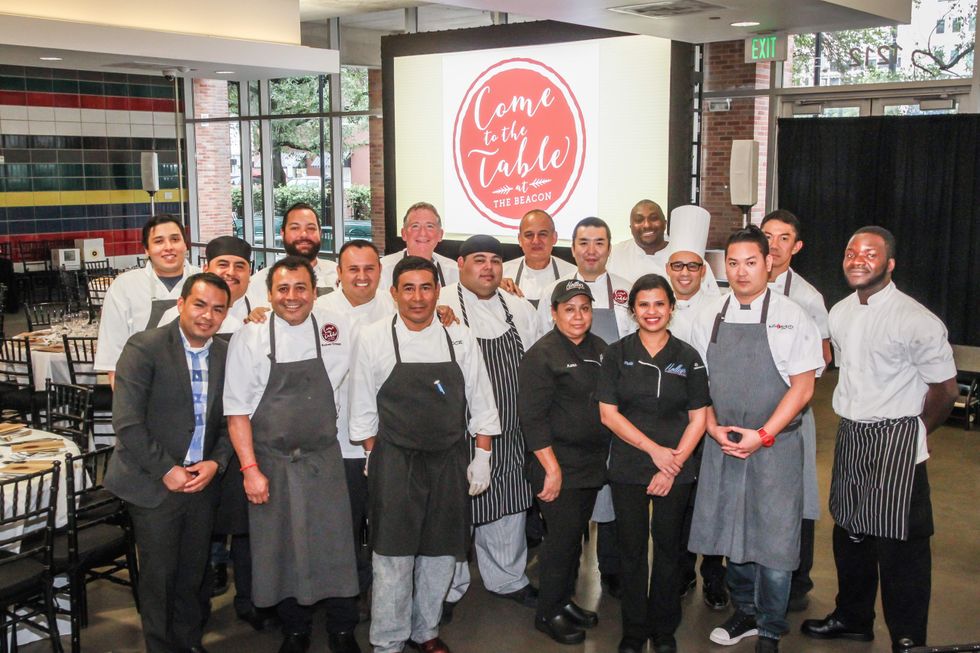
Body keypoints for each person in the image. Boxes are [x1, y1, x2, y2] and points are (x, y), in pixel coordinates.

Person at [802, 227, 957, 652]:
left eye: (870, 254)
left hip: (897, 436)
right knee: (850, 531)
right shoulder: (840, 312)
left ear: (889, 264)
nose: (857, 259)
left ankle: (909, 637)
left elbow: (945, 390)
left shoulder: (916, 320)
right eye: (851, 251)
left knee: (900, 545)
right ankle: (853, 617)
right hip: (852, 432)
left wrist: (914, 433)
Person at [349, 256, 499, 653]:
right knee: (392, 556)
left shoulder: (460, 336)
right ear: (394, 293)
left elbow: (481, 401)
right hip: (395, 460)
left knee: (440, 551)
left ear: (438, 290)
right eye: (409, 288)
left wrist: (481, 456)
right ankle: (388, 640)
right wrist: (371, 455)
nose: (418, 298)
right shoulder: (373, 337)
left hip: (449, 460)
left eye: (427, 287)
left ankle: (425, 630)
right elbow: (362, 405)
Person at [687, 226, 824, 653]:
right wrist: (711, 427)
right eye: (733, 263)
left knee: (775, 539)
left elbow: (802, 388)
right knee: (731, 533)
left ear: (769, 263)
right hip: (724, 442)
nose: (741, 272)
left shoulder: (791, 314)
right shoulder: (708, 313)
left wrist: (762, 435)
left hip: (775, 446)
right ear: (723, 266)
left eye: (751, 262)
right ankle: (744, 610)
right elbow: (698, 383)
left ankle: (769, 625)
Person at [224, 256, 360, 653]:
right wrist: (250, 469)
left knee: (336, 546)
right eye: (282, 289)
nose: (292, 297)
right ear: (268, 294)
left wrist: (444, 312)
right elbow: (236, 412)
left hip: (324, 459)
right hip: (272, 464)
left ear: (316, 293)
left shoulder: (338, 328)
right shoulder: (249, 337)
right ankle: (295, 630)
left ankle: (342, 629)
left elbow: (388, 330)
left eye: (301, 288)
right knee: (279, 549)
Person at [105, 272, 233, 653]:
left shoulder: (227, 354)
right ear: (181, 304)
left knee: (194, 574)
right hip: (152, 482)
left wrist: (216, 463)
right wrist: (167, 470)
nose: (207, 315)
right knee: (159, 577)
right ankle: (161, 647)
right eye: (199, 304)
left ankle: (190, 642)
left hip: (202, 480)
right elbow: (127, 422)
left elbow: (234, 421)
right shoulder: (144, 347)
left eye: (217, 309)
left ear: (225, 315)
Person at [597, 274, 711, 653]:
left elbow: (699, 418)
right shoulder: (616, 353)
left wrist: (672, 462)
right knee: (630, 551)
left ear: (671, 308)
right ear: (633, 310)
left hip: (676, 466)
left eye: (659, 304)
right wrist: (655, 453)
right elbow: (609, 415)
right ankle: (634, 629)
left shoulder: (688, 357)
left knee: (669, 551)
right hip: (630, 465)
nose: (651, 312)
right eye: (643, 305)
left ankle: (664, 630)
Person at [441, 236, 540, 616]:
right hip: (457, 432)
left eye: (495, 261)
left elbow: (533, 367)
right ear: (461, 263)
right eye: (479, 260)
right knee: (453, 513)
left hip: (511, 429)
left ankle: (507, 579)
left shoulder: (518, 308)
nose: (488, 268)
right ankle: (447, 587)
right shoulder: (441, 302)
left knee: (508, 507)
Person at [537, 216, 634, 598]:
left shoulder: (627, 292)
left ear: (609, 247)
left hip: (619, 414)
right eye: (584, 242)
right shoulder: (551, 291)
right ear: (573, 248)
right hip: (570, 417)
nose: (591, 249)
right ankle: (567, 578)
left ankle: (611, 569)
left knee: (613, 495)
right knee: (571, 509)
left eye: (599, 241)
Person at [518, 279, 610, 646]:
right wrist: (552, 469)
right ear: (554, 313)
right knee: (559, 542)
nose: (578, 316)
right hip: (555, 465)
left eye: (584, 308)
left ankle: (563, 601)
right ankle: (547, 614)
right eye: (569, 309)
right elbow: (532, 418)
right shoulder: (541, 355)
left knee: (573, 540)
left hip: (588, 464)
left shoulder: (601, 348)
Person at [761, 209, 831, 613]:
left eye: (783, 238)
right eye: (767, 235)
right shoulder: (742, 284)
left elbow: (822, 358)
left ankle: (797, 580)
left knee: (796, 495)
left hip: (792, 411)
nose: (773, 245)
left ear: (796, 246)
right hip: (747, 412)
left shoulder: (806, 297)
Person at [661, 208, 728, 611]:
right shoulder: (654, 302)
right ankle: (682, 571)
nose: (684, 273)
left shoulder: (721, 306)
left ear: (703, 269)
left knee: (712, 498)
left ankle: (714, 575)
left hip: (711, 416)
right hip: (667, 420)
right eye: (677, 265)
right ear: (667, 267)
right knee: (678, 502)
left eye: (692, 265)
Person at [95, 213, 199, 384]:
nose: (168, 247)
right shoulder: (124, 286)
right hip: (144, 384)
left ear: (185, 245)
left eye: (175, 239)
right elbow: (113, 358)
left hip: (199, 384)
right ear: (146, 250)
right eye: (159, 241)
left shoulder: (204, 281)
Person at [608, 201, 719, 294]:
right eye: (639, 220)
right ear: (631, 227)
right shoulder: (615, 254)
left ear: (665, 223)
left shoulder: (688, 256)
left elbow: (712, 302)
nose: (647, 225)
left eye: (653, 218)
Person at [245, 202, 336, 307]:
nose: (304, 234)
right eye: (295, 228)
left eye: (311, 228)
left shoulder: (340, 276)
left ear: (320, 233)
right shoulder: (258, 283)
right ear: (282, 233)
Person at [501, 209, 576, 308]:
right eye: (529, 235)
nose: (536, 241)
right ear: (519, 239)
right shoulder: (501, 273)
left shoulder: (574, 276)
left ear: (554, 237)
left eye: (542, 234)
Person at [378, 202, 459, 291]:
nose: (423, 233)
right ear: (404, 234)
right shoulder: (383, 271)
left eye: (430, 226)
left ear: (440, 235)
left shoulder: (454, 271)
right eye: (415, 226)